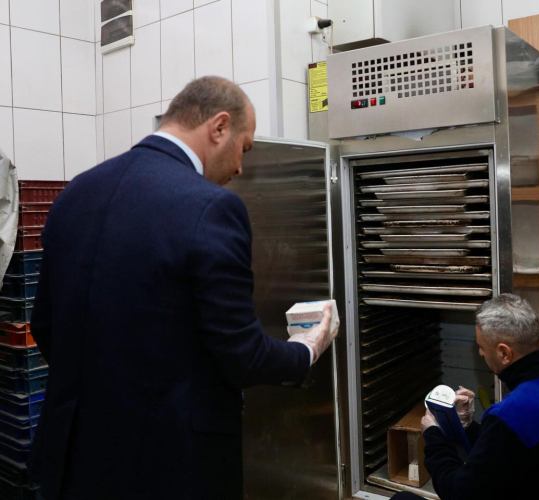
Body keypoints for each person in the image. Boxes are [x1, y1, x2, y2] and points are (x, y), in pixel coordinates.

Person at [28, 76, 338, 500]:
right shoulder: (211, 206)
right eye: (244, 148)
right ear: (219, 127)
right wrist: (308, 347)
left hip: (73, 455)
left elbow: (46, 326)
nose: (240, 168)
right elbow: (241, 356)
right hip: (167, 464)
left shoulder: (76, 191)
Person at [393, 294, 539, 500]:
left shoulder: (510, 415)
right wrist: (469, 427)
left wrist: (433, 436)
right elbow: (509, 451)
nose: (481, 353)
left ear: (504, 353)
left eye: (482, 347)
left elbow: (457, 492)